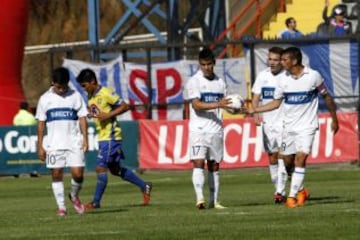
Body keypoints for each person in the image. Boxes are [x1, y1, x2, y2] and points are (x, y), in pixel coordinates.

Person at [246, 47, 339, 208]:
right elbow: (276, 102)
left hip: (307, 127)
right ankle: (301, 190)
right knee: (287, 162)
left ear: (294, 61)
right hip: (288, 128)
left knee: (300, 158)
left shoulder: (313, 76)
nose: (281, 62)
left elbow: (326, 96)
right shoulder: (283, 80)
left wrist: (334, 118)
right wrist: (256, 110)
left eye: (284, 60)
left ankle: (291, 196)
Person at [76, 68, 152, 210]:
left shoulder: (105, 93)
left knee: (100, 168)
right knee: (115, 170)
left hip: (110, 137)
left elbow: (125, 106)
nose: (84, 89)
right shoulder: (90, 96)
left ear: (92, 82)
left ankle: (96, 202)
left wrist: (108, 115)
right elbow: (96, 113)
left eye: (84, 85)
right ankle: (144, 186)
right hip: (103, 137)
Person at [184, 47, 232, 210]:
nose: (206, 67)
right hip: (198, 129)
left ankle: (215, 201)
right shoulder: (194, 81)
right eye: (203, 64)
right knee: (198, 162)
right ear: (199, 64)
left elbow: (227, 104)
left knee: (214, 165)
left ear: (214, 63)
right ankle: (200, 199)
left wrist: (237, 108)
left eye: (209, 64)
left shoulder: (220, 82)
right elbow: (196, 105)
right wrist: (218, 104)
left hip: (216, 130)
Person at [36, 67, 88, 216]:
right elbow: (41, 123)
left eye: (64, 86)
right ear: (53, 83)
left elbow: (83, 117)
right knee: (56, 173)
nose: (62, 89)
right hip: (54, 144)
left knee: (78, 174)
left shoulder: (75, 96)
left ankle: (74, 195)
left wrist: (85, 139)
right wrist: (40, 146)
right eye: (59, 86)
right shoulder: (45, 99)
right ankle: (62, 207)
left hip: (74, 142)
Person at [251, 46, 288, 204]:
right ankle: (280, 189)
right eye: (270, 59)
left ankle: (279, 191)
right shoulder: (262, 76)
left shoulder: (287, 76)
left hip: (284, 122)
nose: (272, 63)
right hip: (267, 123)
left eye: (275, 60)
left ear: (282, 61)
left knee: (282, 155)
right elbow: (255, 96)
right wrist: (255, 112)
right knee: (272, 156)